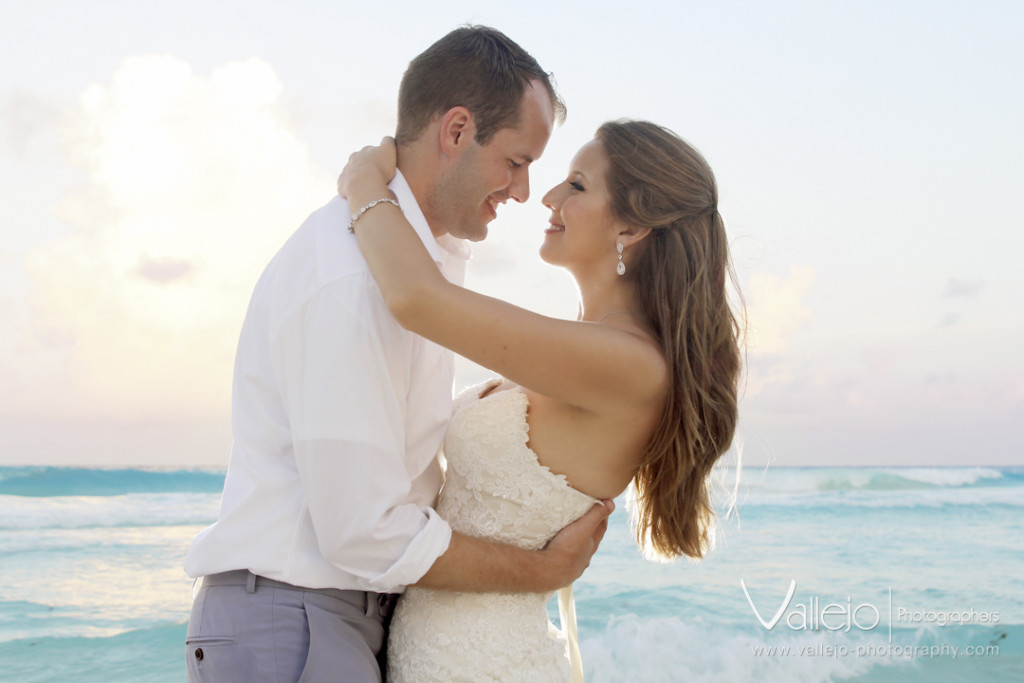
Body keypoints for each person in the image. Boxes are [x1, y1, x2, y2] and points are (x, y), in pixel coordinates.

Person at [182, 26, 613, 683]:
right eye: (517, 161)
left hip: (329, 618)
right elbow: (363, 530)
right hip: (297, 622)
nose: (524, 191)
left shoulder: (410, 258)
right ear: (457, 130)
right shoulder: (353, 278)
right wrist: (542, 571)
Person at [339, 119, 743, 682]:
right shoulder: (585, 349)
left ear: (631, 224)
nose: (548, 196)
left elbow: (415, 299)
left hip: (483, 665)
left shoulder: (628, 364)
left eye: (577, 186)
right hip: (446, 654)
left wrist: (364, 186)